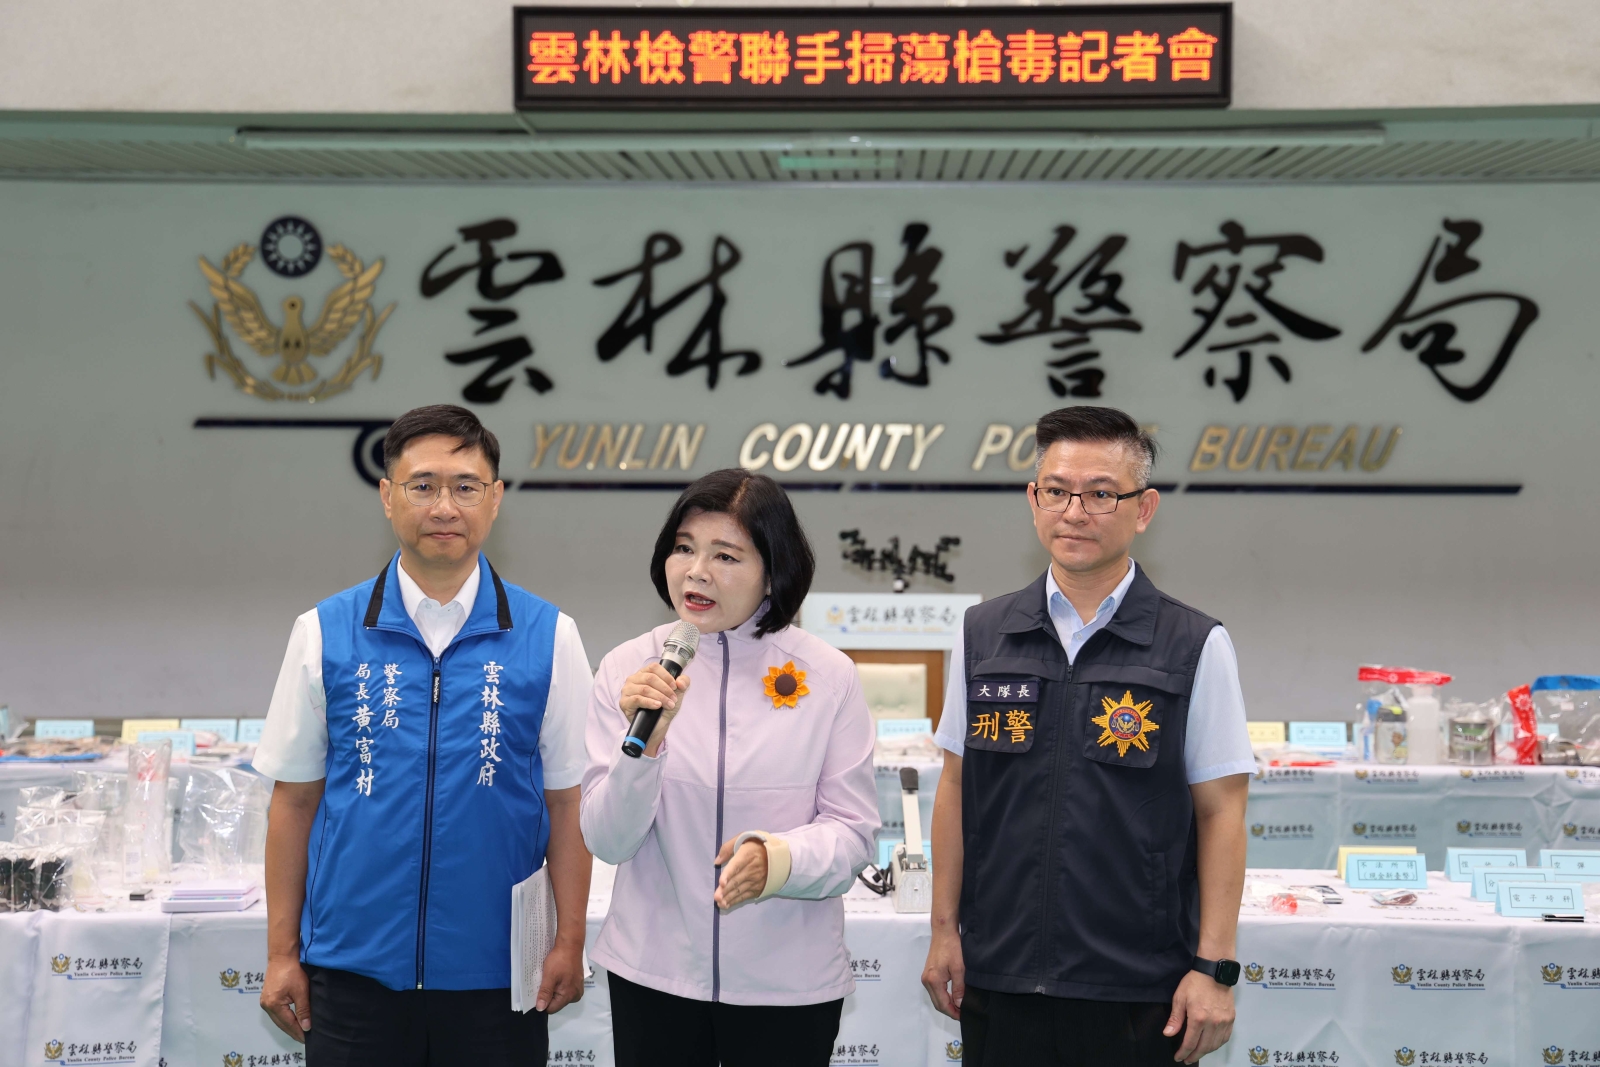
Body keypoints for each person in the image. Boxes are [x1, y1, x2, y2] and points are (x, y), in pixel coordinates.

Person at [254, 404, 593, 1067]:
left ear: (495, 499)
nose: (444, 506)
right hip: (352, 970)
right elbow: (293, 802)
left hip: (499, 973)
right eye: (423, 485)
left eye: (466, 486)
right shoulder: (324, 631)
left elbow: (568, 801)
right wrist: (280, 953)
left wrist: (569, 940)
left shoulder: (550, 636)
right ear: (387, 496)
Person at [921, 406, 1254, 1067]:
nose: (1075, 512)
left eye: (1101, 493)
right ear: (1033, 500)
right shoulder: (982, 635)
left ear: (1143, 508)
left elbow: (1222, 811)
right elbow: (956, 788)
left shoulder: (1195, 644)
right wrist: (943, 931)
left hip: (1138, 987)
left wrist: (1214, 967)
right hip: (1001, 975)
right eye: (1057, 491)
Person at [580, 468, 880, 1067]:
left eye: (725, 555)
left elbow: (854, 833)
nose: (696, 571)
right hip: (654, 976)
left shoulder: (829, 676)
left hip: (787, 986)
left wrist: (780, 860)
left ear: (773, 570)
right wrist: (647, 749)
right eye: (684, 548)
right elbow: (608, 840)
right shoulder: (628, 669)